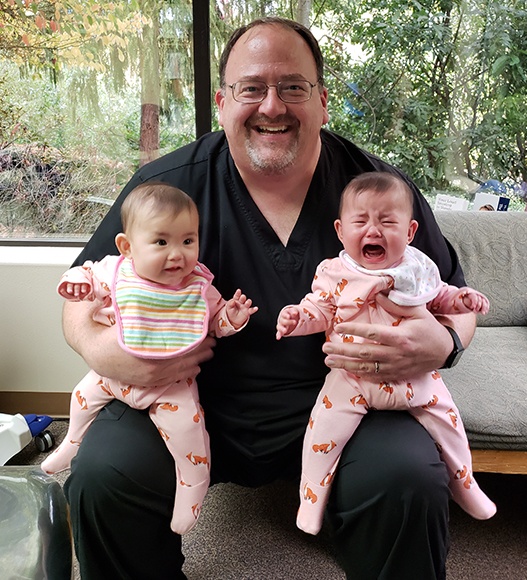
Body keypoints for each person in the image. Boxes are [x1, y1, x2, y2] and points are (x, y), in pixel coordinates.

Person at [62, 17, 480, 580]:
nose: (272, 106)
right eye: (252, 88)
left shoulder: (379, 192)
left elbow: (449, 294)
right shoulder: (167, 187)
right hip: (190, 397)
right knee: (103, 475)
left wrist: (445, 341)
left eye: (293, 87)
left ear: (323, 100)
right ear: (222, 100)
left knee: (407, 478)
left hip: (344, 404)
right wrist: (102, 351)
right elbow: (82, 293)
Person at [276, 172, 496, 535]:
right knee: (321, 433)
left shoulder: (418, 268)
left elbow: (442, 295)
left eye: (387, 221)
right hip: (352, 377)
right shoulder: (335, 272)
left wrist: (463, 298)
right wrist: (297, 318)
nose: (373, 231)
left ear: (409, 232)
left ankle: (466, 483)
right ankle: (312, 499)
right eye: (360, 221)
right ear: (340, 231)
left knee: (450, 423)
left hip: (417, 377)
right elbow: (320, 308)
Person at [43, 182, 257, 534]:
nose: (178, 254)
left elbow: (215, 322)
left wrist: (232, 317)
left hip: (171, 387)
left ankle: (192, 482)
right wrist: (75, 283)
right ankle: (73, 440)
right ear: (127, 247)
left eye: (188, 241)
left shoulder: (198, 286)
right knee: (81, 400)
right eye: (161, 242)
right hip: (111, 377)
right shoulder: (116, 272)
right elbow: (86, 277)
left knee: (189, 433)